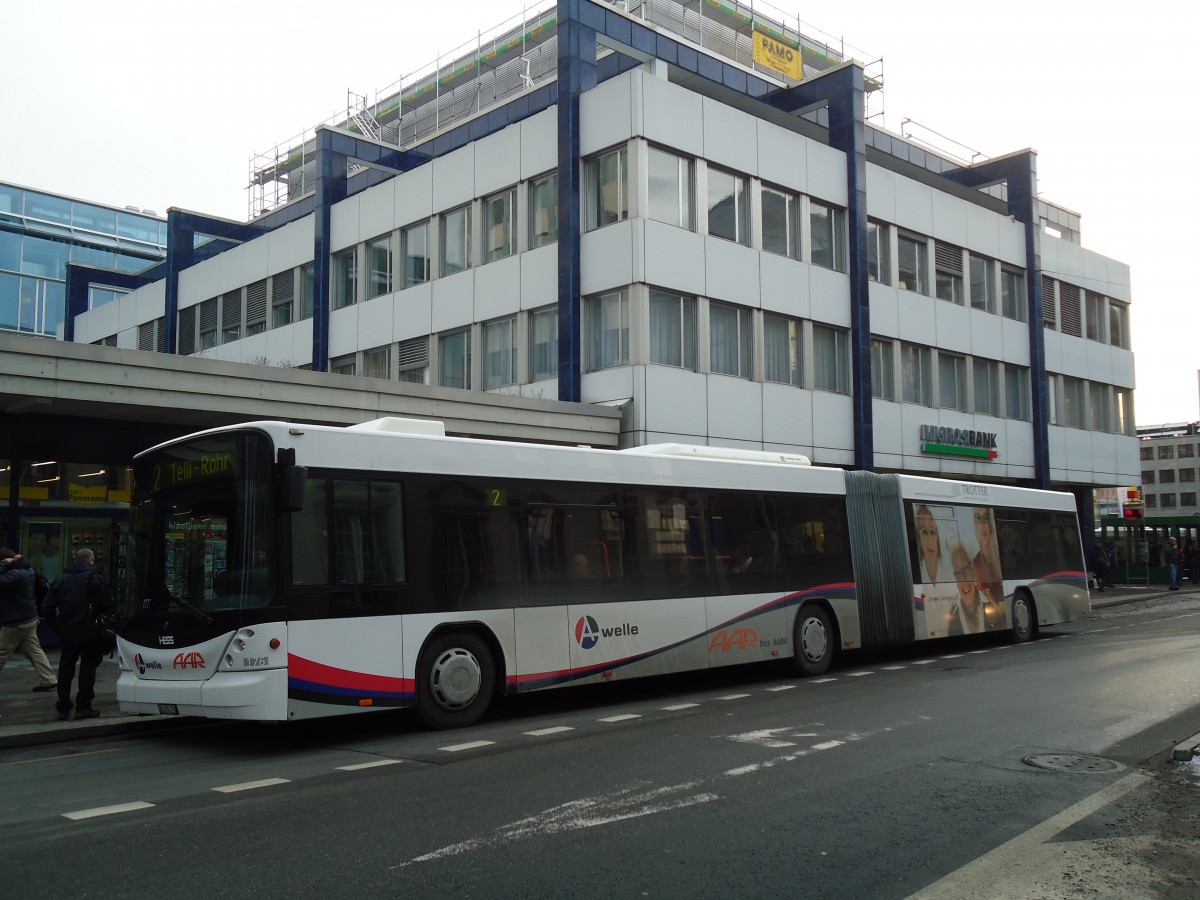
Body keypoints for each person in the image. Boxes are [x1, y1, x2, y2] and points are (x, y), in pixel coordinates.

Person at [40, 548, 113, 721]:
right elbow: (107, 606)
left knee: (66, 667)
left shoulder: (61, 579)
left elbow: (47, 607)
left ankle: (63, 707)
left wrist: (58, 626)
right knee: (88, 667)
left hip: (68, 631)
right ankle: (83, 706)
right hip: (90, 631)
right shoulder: (96, 578)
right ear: (91, 560)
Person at [0, 546, 59, 696]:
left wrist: (4, 563)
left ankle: (49, 679)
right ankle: (48, 679)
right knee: (34, 650)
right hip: (29, 618)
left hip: (15, 621)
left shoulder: (15, 574)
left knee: (1, 652)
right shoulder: (28, 569)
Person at [946, 544, 999, 635]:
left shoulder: (989, 602)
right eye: (958, 572)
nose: (964, 578)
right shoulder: (953, 616)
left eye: (966, 568)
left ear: (973, 572)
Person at [971, 507, 1004, 604]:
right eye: (978, 518)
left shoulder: (1001, 554)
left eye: (986, 519)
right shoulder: (976, 563)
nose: (982, 525)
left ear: (991, 523)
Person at [916, 505, 952, 584]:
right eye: (924, 532)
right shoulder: (915, 574)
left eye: (932, 532)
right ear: (919, 539)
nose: (930, 541)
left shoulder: (950, 574)